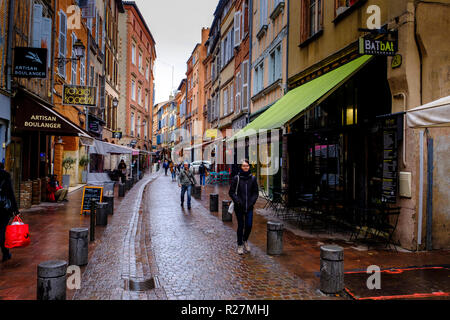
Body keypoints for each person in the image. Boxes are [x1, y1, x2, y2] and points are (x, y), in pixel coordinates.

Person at [229, 159, 259, 255]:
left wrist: (252, 202)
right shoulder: (236, 178)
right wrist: (237, 201)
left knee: (249, 225)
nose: (245, 167)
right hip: (239, 207)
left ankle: (245, 239)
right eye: (243, 166)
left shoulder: (253, 179)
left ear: (249, 167)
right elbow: (231, 192)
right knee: (241, 226)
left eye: (247, 166)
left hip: (249, 206)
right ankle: (240, 245)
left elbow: (255, 192)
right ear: (241, 167)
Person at [0, 163, 19, 262]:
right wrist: (15, 210)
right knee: (2, 231)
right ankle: (6, 253)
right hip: (4, 209)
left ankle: (6, 253)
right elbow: (11, 194)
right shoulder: (6, 176)